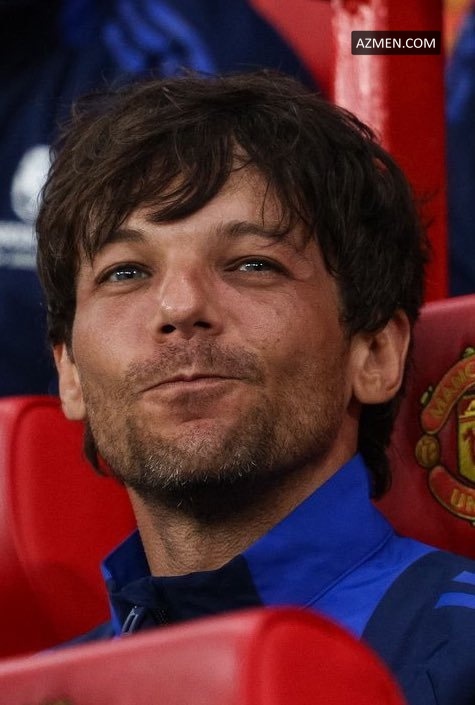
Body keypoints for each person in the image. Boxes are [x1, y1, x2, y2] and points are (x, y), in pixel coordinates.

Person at [36, 71, 475, 705]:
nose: (180, 306)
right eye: (126, 272)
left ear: (376, 353)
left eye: (252, 264)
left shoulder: (461, 657)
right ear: (70, 371)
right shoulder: (42, 689)